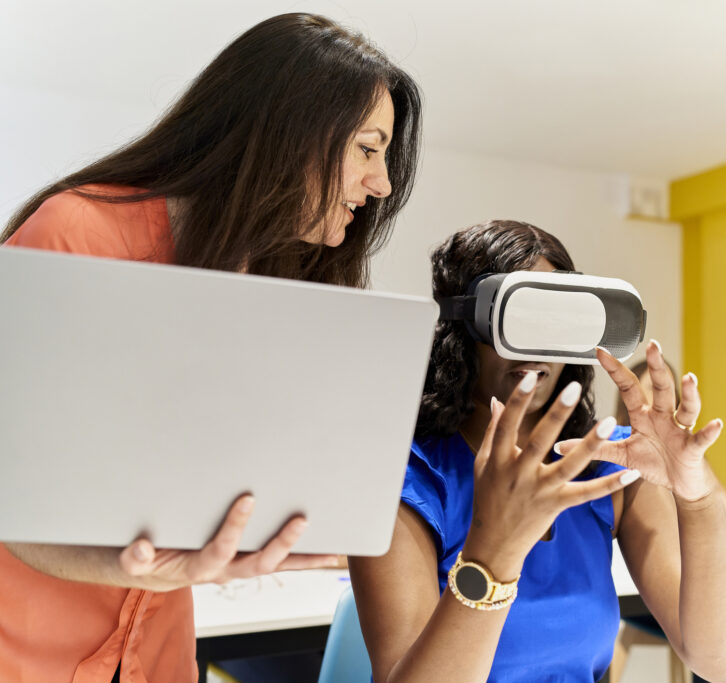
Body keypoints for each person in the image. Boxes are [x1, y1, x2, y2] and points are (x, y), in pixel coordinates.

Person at [1, 13, 421, 683]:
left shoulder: (259, 277)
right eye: (369, 149)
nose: (382, 184)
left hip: (156, 656)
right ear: (292, 131)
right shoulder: (76, 231)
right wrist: (145, 563)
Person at [349, 221, 726, 683]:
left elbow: (721, 662)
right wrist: (494, 551)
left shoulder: (607, 464)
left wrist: (695, 497)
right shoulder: (406, 479)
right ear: (464, 328)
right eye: (519, 319)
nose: (537, 348)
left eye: (556, 325)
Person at [611, 359, 726, 683]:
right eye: (641, 402)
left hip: (698, 592)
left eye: (660, 400)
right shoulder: (616, 466)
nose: (652, 412)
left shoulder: (688, 459)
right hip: (649, 597)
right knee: (710, 627)